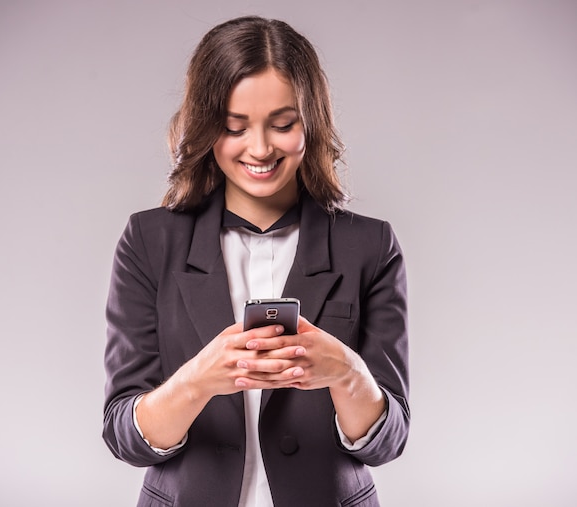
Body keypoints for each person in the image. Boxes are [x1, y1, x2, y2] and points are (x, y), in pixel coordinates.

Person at [103, 15, 409, 507]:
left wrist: (347, 373)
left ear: (312, 123)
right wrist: (198, 380)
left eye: (283, 124)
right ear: (206, 128)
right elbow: (123, 434)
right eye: (234, 127)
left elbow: (389, 440)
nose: (261, 148)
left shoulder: (370, 246)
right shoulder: (148, 240)